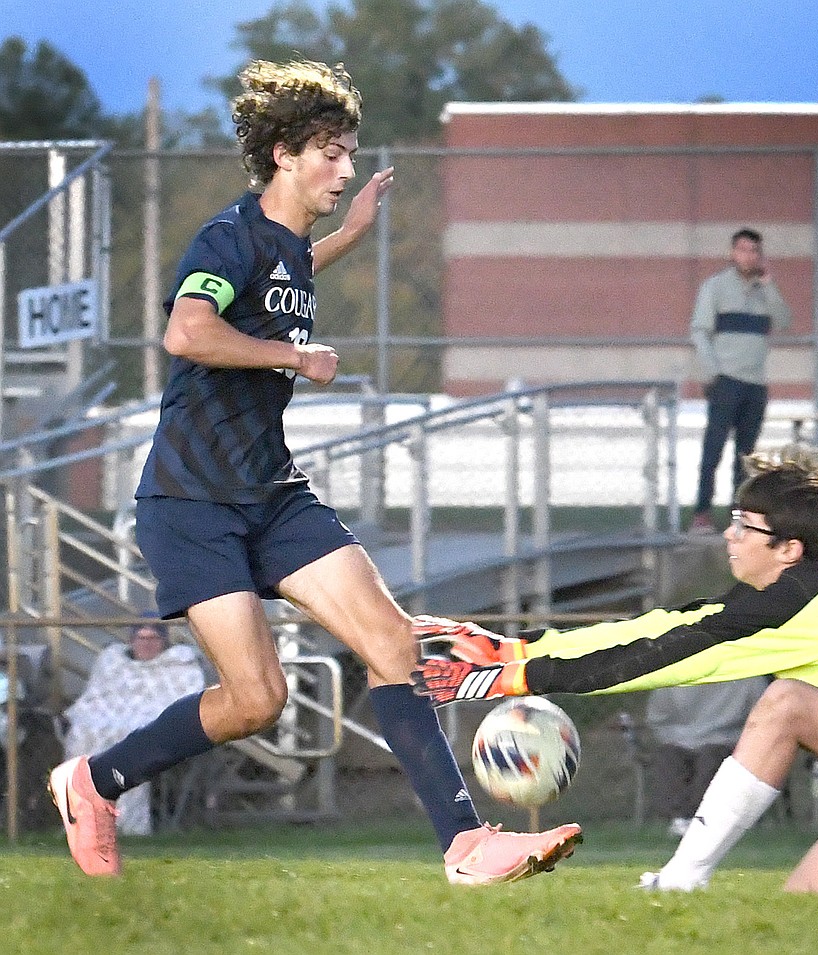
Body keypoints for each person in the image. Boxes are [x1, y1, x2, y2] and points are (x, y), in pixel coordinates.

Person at [47, 58, 580, 882]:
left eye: (351, 151)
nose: (347, 166)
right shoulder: (228, 235)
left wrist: (351, 235)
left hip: (273, 494)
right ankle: (95, 779)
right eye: (332, 151)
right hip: (192, 500)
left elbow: (286, 273)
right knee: (257, 700)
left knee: (391, 641)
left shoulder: (288, 245)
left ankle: (467, 843)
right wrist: (294, 357)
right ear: (285, 153)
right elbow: (187, 333)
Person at [411, 448, 818, 898]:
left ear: (789, 550)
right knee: (803, 906)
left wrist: (515, 676)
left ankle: (682, 878)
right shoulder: (802, 599)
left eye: (745, 526)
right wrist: (517, 654)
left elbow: (662, 654)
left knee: (790, 703)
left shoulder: (802, 606)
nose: (729, 536)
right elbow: (660, 629)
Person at [688, 228, 792, 535]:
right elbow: (699, 331)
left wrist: (769, 286)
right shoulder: (716, 288)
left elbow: (784, 322)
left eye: (754, 251)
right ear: (733, 253)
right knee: (713, 451)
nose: (748, 256)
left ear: (760, 255)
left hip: (755, 384)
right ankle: (702, 514)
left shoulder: (765, 292)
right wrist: (714, 372)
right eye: (742, 250)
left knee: (746, 457)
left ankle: (740, 517)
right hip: (726, 382)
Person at [63, 616, 205, 834]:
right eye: (141, 638)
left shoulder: (177, 665)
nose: (146, 643)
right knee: (83, 733)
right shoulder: (114, 663)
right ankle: (84, 817)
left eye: (153, 638)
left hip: (152, 730)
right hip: (105, 723)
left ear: (164, 641)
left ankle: (128, 823)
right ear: (131, 640)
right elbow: (97, 697)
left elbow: (182, 699)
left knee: (133, 742)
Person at [645, 679, 768, 837]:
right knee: (668, 758)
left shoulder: (749, 677)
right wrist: (674, 737)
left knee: (711, 759)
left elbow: (763, 714)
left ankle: (705, 819)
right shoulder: (676, 677)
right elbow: (658, 717)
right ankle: (681, 818)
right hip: (680, 739)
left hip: (728, 739)